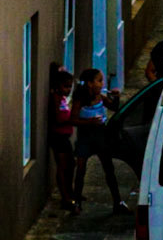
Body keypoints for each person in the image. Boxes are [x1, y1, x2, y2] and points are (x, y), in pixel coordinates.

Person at [71, 69, 127, 215]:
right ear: (90, 83)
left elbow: (114, 108)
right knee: (81, 170)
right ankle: (76, 202)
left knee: (109, 169)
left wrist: (116, 97)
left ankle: (117, 201)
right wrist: (89, 121)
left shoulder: (100, 97)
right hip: (85, 137)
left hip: (101, 137)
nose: (102, 84)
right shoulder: (80, 99)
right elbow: (73, 119)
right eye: (99, 80)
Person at [47, 67, 76, 211]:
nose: (68, 89)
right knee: (63, 167)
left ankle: (70, 192)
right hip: (58, 137)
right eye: (66, 86)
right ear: (58, 86)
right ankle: (65, 197)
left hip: (65, 136)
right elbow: (58, 118)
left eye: (70, 86)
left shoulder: (63, 99)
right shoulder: (56, 99)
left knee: (71, 164)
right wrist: (73, 119)